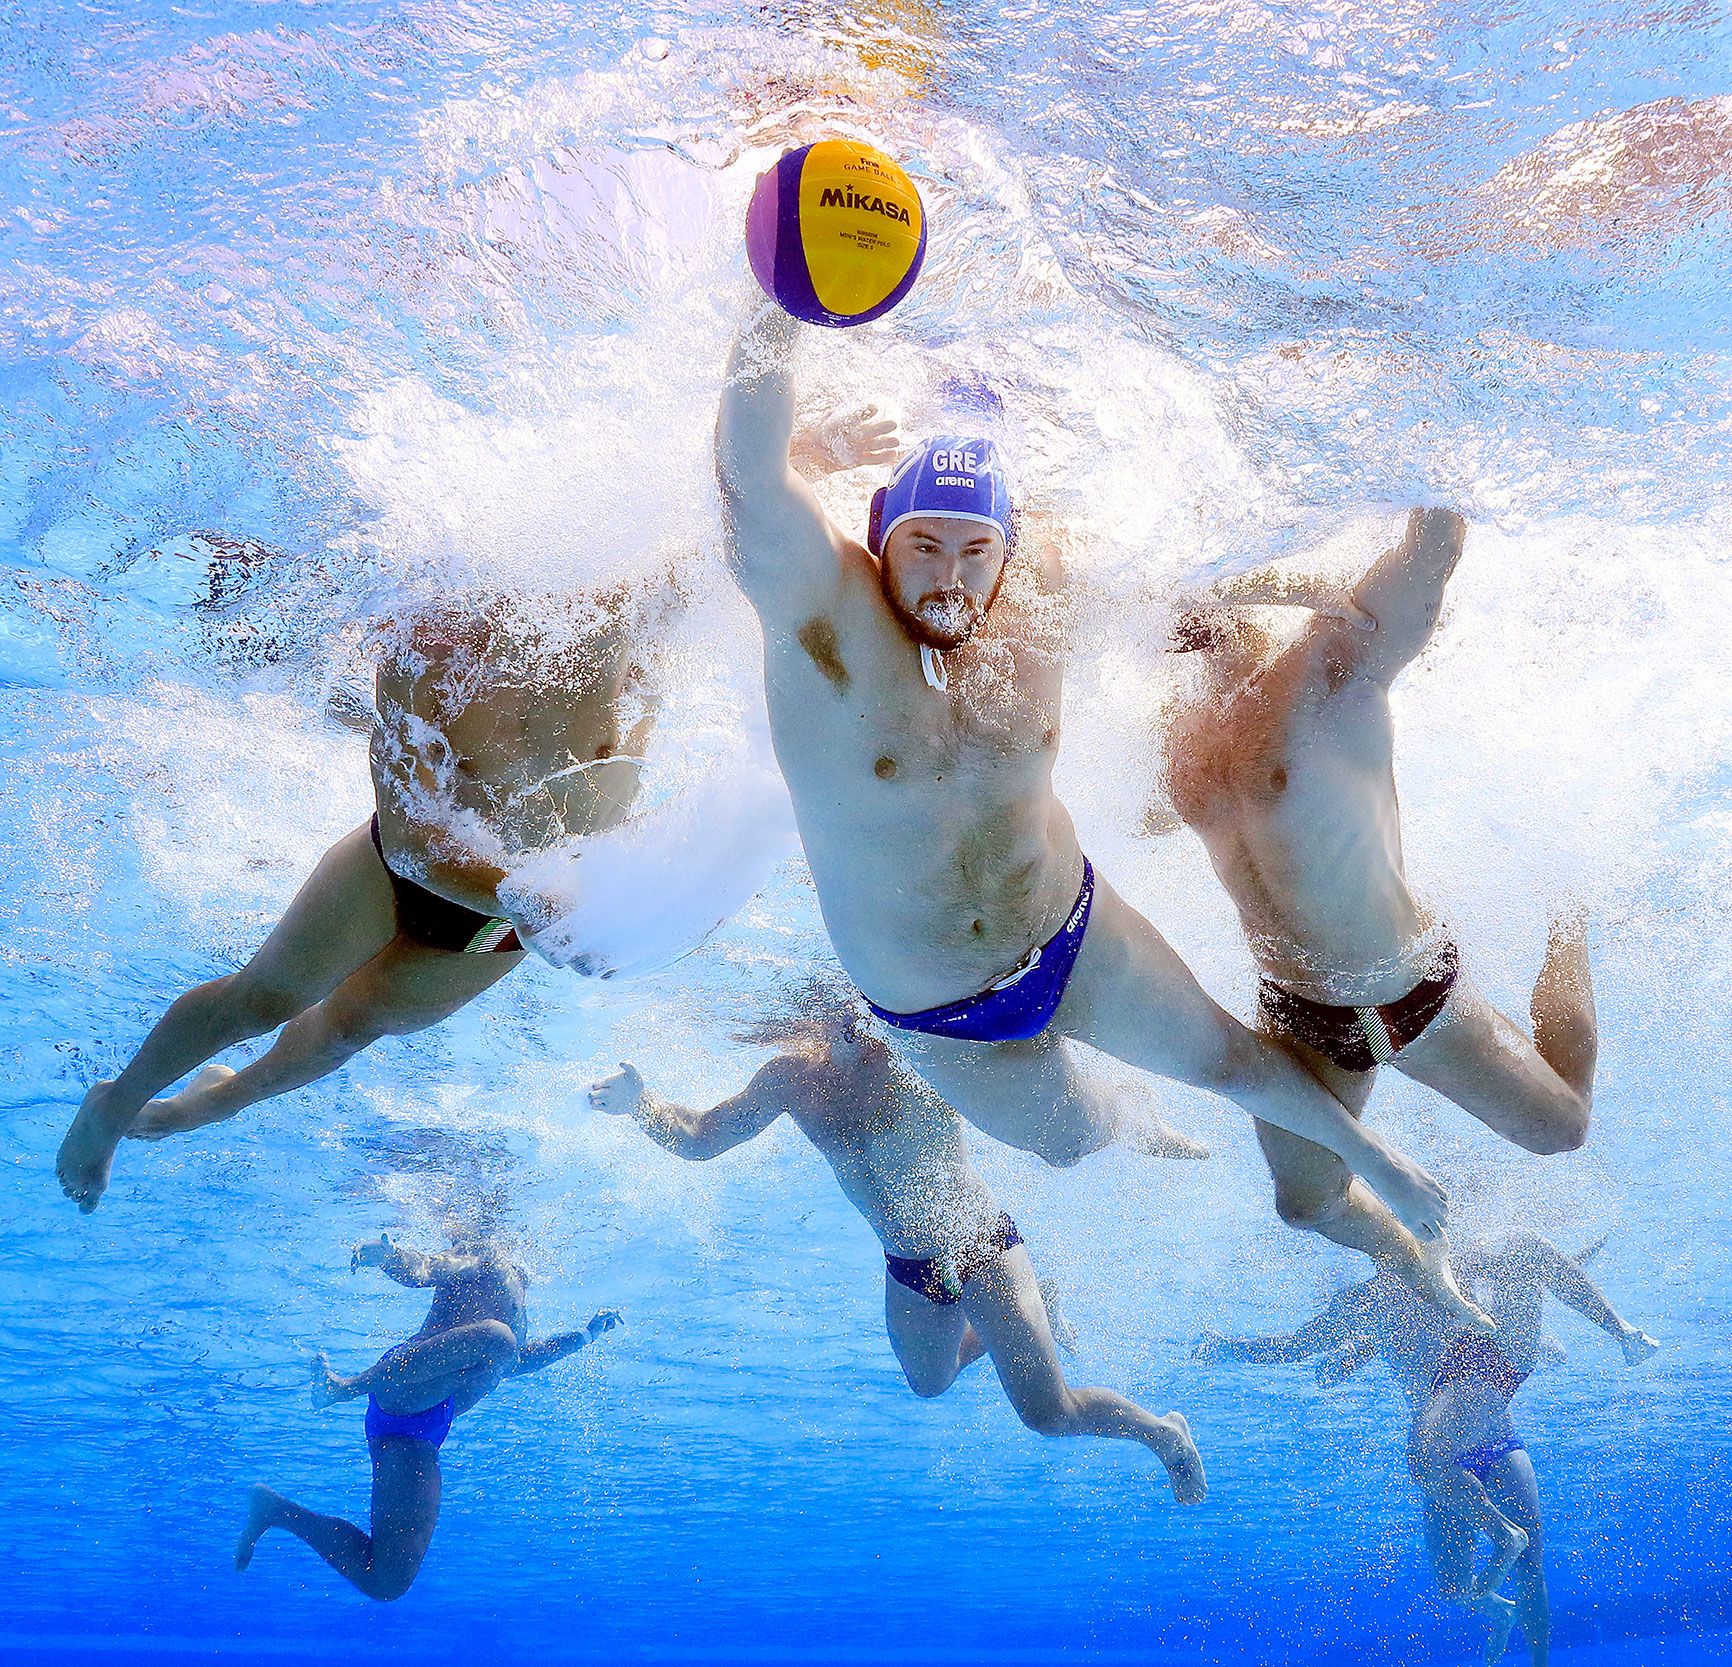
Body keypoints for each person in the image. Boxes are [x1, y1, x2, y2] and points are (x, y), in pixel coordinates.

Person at [711, 304, 1476, 1322]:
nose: (947, 576)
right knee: (1073, 1142)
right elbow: (753, 477)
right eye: (921, 544)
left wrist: (1289, 580)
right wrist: (782, 309)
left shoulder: (1043, 593)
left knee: (1234, 1061)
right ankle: (1133, 1118)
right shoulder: (826, 620)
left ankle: (1378, 1156)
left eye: (974, 548)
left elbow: (1175, 593)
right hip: (942, 1014)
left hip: (1070, 927)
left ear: (1008, 548)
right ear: (877, 538)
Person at [56, 589, 662, 1211]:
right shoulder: (429, 643)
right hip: (399, 874)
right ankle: (114, 1105)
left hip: (505, 921)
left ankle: (213, 1102)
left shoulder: (636, 645)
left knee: (347, 1031)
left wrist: (615, 908)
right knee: (264, 1001)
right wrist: (533, 903)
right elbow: (410, 847)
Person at [1161, 508, 1596, 1313]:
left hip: (1408, 991)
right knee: (1306, 1204)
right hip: (1296, 1016)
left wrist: (1273, 580)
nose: (1192, 623)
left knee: (1563, 1126)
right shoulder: (1183, 729)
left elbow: (1433, 547)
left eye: (1212, 597)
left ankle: (1572, 908)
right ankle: (1423, 1261)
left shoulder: (1333, 661)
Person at [585, 1005, 1207, 1502]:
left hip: (983, 1250)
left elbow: (1040, 1089)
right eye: (840, 1018)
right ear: (820, 1019)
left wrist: (1132, 1121)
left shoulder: (924, 1054)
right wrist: (638, 1105)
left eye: (865, 1011)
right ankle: (1013, 1324)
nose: (858, 1029)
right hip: (909, 1268)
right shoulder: (790, 1080)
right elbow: (700, 1138)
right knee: (929, 1384)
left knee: (1049, 1413)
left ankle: (1162, 1435)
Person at [1200, 1236, 1657, 1665]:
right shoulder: (1368, 1302)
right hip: (1443, 1461)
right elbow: (1294, 1346)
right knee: (1453, 1586)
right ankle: (1500, 1612)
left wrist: (1609, 1323)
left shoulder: (1454, 1267)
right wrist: (1230, 1349)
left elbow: (1537, 1265)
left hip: (1485, 1415)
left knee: (1529, 1561)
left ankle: (1535, 1650)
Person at [235, 1232, 620, 1601]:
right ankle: (342, 1388)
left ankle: (276, 1510)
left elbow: (516, 1362)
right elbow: (425, 1268)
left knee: (387, 1580)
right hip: (403, 1387)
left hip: (422, 1432)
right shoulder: (483, 1257)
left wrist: (585, 1336)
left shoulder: (517, 1295)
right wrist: (388, 1257)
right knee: (500, 1340)